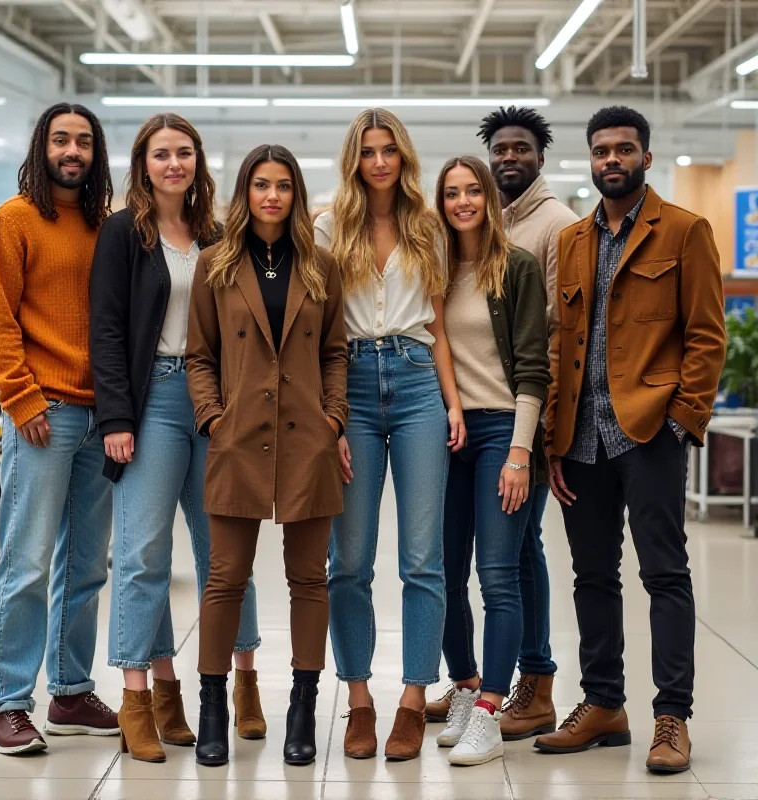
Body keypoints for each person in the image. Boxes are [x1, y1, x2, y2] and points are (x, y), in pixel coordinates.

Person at [536, 106, 727, 774]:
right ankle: (604, 704)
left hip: (648, 431)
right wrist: (554, 435)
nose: (610, 160)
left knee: (664, 573)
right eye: (600, 151)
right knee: (591, 575)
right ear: (590, 160)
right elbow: (563, 343)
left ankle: (671, 716)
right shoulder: (573, 243)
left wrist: (683, 419)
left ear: (646, 157)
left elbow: (706, 335)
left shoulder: (684, 230)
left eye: (623, 149)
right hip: (581, 439)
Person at [89, 114, 264, 763]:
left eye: (183, 153)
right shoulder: (121, 232)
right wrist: (116, 418)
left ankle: (244, 682)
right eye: (161, 154)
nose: (173, 164)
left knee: (228, 555)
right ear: (143, 162)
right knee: (142, 554)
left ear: (197, 162)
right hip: (153, 400)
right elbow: (106, 328)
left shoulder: (219, 234)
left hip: (217, 403)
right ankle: (144, 696)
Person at [186, 144, 348, 768]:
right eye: (261, 184)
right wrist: (210, 415)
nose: (272, 195)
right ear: (244, 193)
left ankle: (303, 707)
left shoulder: (321, 265)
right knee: (225, 577)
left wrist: (334, 415)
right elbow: (200, 353)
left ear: (296, 194)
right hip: (237, 436)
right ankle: (212, 707)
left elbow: (335, 350)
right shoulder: (215, 266)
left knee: (309, 579)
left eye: (283, 185)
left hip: (307, 438)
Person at [315, 108, 466, 762]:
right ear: (354, 159)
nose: (379, 162)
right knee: (347, 561)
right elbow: (317, 330)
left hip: (416, 386)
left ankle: (411, 697)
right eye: (368, 151)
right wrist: (329, 416)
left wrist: (453, 405)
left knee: (422, 559)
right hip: (349, 384)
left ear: (403, 158)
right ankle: (358, 699)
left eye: (389, 151)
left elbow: (436, 320)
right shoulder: (326, 226)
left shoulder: (429, 228)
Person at [425, 106, 577, 740]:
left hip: (502, 433)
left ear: (489, 199)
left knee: (499, 572)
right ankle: (464, 689)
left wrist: (521, 453)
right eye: (452, 193)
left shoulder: (514, 263)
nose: (464, 202)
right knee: (441, 571)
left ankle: (493, 703)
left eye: (472, 193)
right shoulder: (430, 267)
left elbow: (535, 366)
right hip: (445, 434)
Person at [0, 102, 119, 755]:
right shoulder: (13, 219)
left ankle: (69, 690)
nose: (72, 150)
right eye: (61, 139)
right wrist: (21, 398)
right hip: (42, 414)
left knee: (85, 564)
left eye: (83, 141)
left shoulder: (103, 226)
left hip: (101, 416)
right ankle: (6, 705)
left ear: (95, 153)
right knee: (26, 561)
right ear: (43, 146)